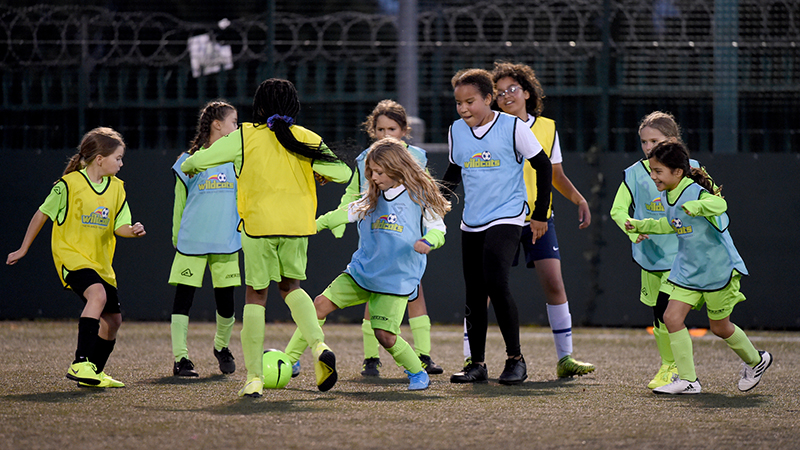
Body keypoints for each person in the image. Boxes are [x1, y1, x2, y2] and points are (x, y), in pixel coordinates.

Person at [181, 78, 352, 398]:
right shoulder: (306, 137)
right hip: (298, 227)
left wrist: (190, 165)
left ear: (258, 107)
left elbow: (198, 161)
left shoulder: (244, 135)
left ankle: (255, 378)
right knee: (292, 288)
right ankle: (318, 347)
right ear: (294, 107)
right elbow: (343, 173)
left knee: (256, 297)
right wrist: (318, 172)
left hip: (258, 227)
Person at [283, 137, 450, 390]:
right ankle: (290, 360)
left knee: (385, 335)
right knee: (319, 305)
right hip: (362, 273)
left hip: (396, 279)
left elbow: (438, 228)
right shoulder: (371, 197)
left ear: (397, 169)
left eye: (379, 172)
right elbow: (341, 215)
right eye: (370, 172)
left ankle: (417, 372)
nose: (373, 177)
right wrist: (310, 226)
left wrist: (429, 240)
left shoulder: (420, 196)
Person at [460, 60, 593, 378]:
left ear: (528, 93)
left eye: (513, 89)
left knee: (554, 283)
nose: (507, 95)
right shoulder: (482, 129)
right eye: (500, 91)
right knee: (485, 290)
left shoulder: (546, 127)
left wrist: (578, 198)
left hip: (538, 219)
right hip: (497, 219)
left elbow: (554, 172)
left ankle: (565, 359)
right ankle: (472, 359)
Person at [625, 138, 772, 394]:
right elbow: (671, 225)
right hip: (688, 271)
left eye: (658, 171)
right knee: (671, 317)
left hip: (717, 270)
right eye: (652, 171)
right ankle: (689, 380)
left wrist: (698, 206)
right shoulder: (667, 194)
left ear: (677, 172)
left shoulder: (694, 191)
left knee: (719, 328)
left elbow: (720, 204)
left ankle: (757, 361)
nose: (653, 176)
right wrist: (641, 225)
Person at [308, 99, 443, 378]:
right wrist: (327, 223)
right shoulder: (367, 170)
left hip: (405, 255)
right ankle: (369, 359)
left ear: (404, 130)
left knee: (411, 298)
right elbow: (354, 197)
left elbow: (430, 207)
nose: (385, 135)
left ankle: (423, 358)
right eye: (380, 129)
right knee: (363, 296)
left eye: (391, 129)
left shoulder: (417, 165)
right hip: (374, 242)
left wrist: (429, 238)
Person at [7, 127, 146, 388]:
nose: (122, 163)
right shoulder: (68, 185)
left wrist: (133, 230)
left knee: (114, 321)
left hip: (101, 264)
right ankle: (79, 361)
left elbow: (120, 226)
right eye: (118, 158)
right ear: (99, 159)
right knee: (97, 295)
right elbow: (42, 214)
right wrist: (23, 248)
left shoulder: (117, 189)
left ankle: (92, 372)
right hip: (72, 257)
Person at [443, 68, 553, 385]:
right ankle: (477, 364)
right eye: (459, 103)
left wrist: (540, 213)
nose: (464, 109)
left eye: (470, 102)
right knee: (474, 292)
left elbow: (543, 165)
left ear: (489, 98)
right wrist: (437, 200)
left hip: (507, 215)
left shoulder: (513, 127)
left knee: (495, 283)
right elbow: (454, 172)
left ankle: (515, 359)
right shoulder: (456, 131)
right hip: (472, 220)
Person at [610, 111, 694, 389]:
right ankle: (670, 367)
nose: (648, 147)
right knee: (659, 318)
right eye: (643, 142)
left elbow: (713, 203)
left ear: (671, 141)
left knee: (671, 313)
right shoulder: (634, 174)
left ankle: (679, 371)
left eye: (654, 141)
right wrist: (631, 228)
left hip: (685, 257)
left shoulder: (692, 170)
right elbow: (617, 210)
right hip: (651, 257)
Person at [169, 100, 241, 378]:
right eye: (233, 122)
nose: (236, 127)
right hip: (193, 242)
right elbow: (179, 203)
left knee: (226, 303)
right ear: (217, 125)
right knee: (183, 300)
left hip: (226, 242)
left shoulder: (237, 161)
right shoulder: (188, 161)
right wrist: (177, 236)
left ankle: (221, 347)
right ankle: (181, 359)